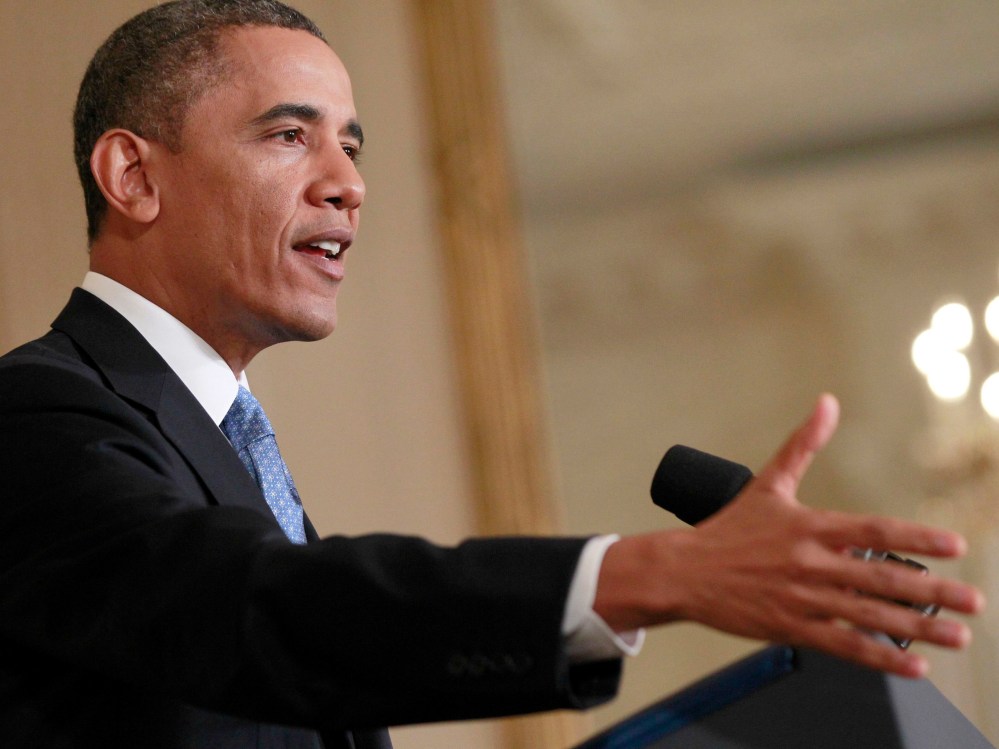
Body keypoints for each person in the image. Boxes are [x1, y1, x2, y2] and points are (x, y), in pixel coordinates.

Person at [0, 1, 984, 747]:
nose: (349, 182)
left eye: (351, 144)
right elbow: (259, 606)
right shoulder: (35, 417)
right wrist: (656, 574)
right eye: (290, 134)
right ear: (133, 176)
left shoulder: (223, 439)